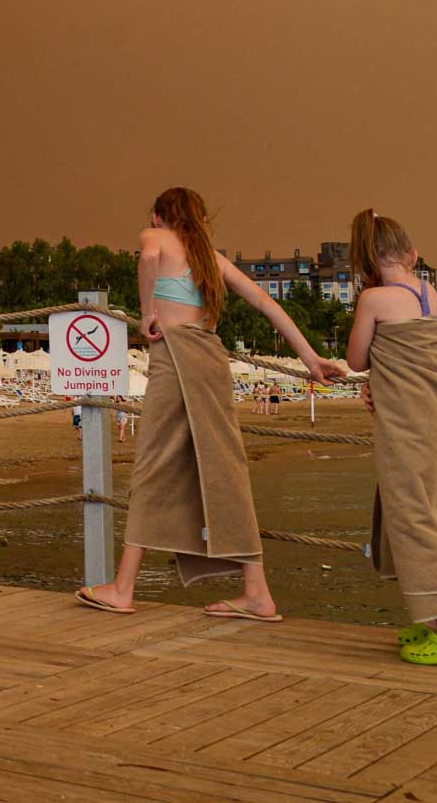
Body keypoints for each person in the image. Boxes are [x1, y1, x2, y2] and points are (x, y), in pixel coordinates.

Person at [77, 187, 345, 622]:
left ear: (162, 215)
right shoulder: (210, 257)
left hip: (176, 355)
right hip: (209, 357)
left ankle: (123, 588)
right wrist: (310, 358)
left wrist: (147, 312)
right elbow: (266, 303)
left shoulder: (156, 237)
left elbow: (146, 261)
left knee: (152, 464)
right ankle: (256, 591)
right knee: (224, 468)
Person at [344, 210, 437, 665]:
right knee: (421, 505)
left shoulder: (374, 300)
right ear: (412, 253)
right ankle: (431, 619)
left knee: (413, 514)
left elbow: (357, 358)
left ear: (365, 259)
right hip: (436, 417)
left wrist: (373, 379)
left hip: (404, 424)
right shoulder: (429, 294)